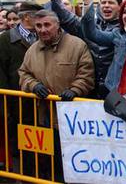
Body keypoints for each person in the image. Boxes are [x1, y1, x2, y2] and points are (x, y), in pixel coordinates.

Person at [19, 10, 94, 182]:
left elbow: (86, 74)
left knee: (72, 162)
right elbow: (24, 73)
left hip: (73, 120)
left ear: (57, 24)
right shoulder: (32, 50)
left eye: (47, 25)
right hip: (44, 119)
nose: (42, 29)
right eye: (38, 25)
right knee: (48, 162)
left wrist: (75, 89)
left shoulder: (77, 45)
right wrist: (33, 85)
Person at [45, 0, 121, 99]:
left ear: (120, 6)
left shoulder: (123, 30)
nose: (106, 6)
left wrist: (87, 2)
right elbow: (65, 18)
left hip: (114, 91)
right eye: (103, 3)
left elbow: (95, 34)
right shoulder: (88, 25)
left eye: (111, 3)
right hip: (89, 88)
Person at [0, 2, 42, 176]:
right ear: (27, 17)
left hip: (40, 102)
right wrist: (5, 107)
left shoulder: (42, 37)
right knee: (18, 148)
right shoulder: (4, 40)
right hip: (15, 105)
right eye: (38, 17)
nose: (41, 22)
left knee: (40, 148)